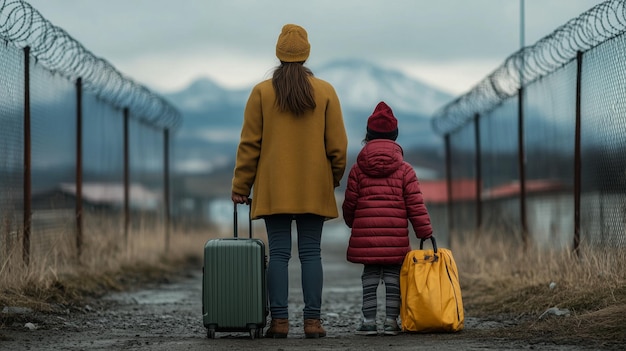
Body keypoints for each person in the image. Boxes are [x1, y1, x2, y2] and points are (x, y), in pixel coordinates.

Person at [231, 23, 348, 339]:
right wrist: (332, 178)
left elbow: (249, 145)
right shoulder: (325, 91)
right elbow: (338, 147)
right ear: (307, 53)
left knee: (279, 255)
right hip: (314, 187)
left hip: (275, 189)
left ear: (278, 54)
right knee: (311, 254)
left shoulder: (261, 92)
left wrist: (241, 187)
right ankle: (312, 322)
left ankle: (279, 323)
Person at [342, 101, 433, 336]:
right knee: (394, 278)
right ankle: (392, 322)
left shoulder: (357, 169)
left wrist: (354, 222)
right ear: (395, 136)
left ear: (368, 136)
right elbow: (415, 204)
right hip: (395, 238)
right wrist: (424, 232)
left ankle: (369, 322)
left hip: (367, 237)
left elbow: (350, 203)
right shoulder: (406, 170)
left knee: (370, 277)